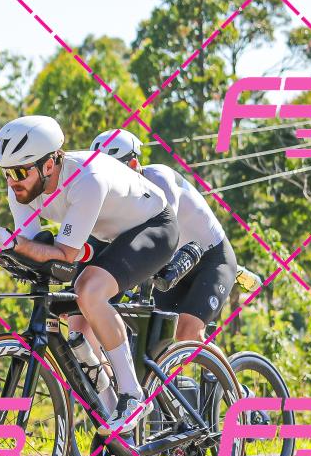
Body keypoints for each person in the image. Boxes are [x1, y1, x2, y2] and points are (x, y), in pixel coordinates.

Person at [0, 115, 179, 434]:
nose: (12, 181)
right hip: (103, 233)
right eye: (6, 172)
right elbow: (34, 249)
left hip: (152, 226)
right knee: (76, 326)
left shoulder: (86, 180)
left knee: (89, 291)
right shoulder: (21, 189)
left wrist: (11, 242)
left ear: (49, 164)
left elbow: (63, 255)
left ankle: (132, 395)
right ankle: (112, 417)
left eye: (20, 172)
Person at [90, 129, 237, 342]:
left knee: (187, 332)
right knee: (150, 338)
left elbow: (168, 234)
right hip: (171, 264)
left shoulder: (160, 178)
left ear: (133, 165)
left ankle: (218, 365)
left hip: (209, 259)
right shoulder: (116, 199)